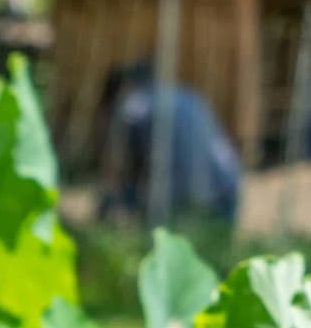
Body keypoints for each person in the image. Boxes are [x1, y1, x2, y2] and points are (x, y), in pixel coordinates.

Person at [99, 62, 240, 222]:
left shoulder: (133, 106)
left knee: (121, 199)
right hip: (229, 186)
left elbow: (125, 169)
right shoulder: (187, 95)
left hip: (187, 195)